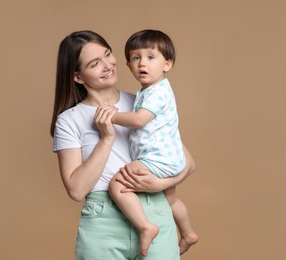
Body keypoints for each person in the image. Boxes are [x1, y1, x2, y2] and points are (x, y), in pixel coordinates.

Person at [51, 30, 195, 260]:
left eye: (108, 54)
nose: (108, 65)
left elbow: (187, 162)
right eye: (95, 63)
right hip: (102, 220)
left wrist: (161, 183)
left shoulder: (142, 103)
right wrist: (106, 138)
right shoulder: (70, 120)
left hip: (154, 211)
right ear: (78, 76)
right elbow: (76, 190)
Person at [107, 29, 198, 257]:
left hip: (157, 158)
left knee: (117, 185)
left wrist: (111, 116)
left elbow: (138, 120)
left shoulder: (157, 92)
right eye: (136, 58)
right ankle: (188, 233)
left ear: (167, 64)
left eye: (150, 57)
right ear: (128, 65)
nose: (142, 63)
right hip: (169, 156)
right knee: (170, 198)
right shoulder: (148, 92)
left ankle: (145, 227)